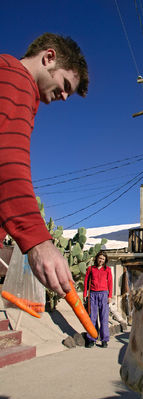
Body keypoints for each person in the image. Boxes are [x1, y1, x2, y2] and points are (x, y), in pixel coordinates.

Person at [0, 33, 89, 297]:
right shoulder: (15, 77)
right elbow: (6, 158)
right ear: (49, 57)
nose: (63, 97)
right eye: (64, 85)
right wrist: (38, 241)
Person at [84, 252, 113, 348]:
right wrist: (85, 294)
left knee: (104, 318)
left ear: (105, 261)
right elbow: (86, 282)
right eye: (100, 258)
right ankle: (92, 338)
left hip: (104, 294)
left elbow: (110, 283)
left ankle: (104, 340)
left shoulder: (107, 270)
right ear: (97, 258)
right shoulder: (91, 269)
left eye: (103, 259)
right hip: (92, 294)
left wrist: (110, 296)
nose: (101, 260)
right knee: (92, 317)